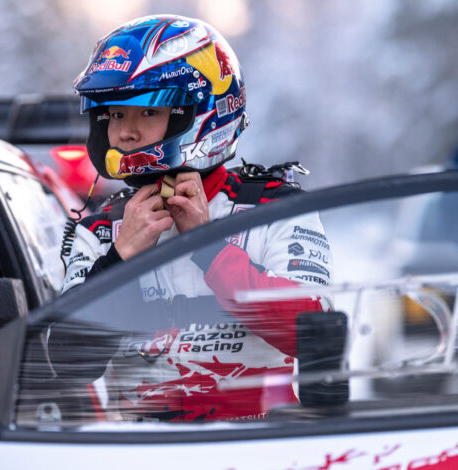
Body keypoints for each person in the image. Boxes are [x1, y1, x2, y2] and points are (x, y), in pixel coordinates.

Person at [59, 14, 334, 422]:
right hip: (142, 453)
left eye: (146, 112)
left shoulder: (274, 210)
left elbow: (315, 337)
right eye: (115, 115)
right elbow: (68, 362)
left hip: (261, 446)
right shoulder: (100, 231)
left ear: (202, 112)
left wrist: (210, 250)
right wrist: (118, 263)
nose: (126, 133)